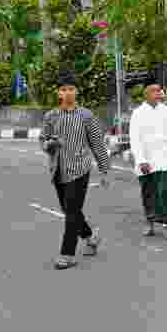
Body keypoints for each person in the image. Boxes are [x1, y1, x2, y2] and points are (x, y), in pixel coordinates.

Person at [40, 73, 111, 270]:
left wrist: (105, 171)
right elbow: (42, 140)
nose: (67, 93)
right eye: (64, 89)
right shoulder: (51, 116)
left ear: (76, 91)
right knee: (70, 210)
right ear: (59, 93)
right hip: (58, 170)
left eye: (71, 89)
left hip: (79, 169)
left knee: (71, 211)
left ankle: (67, 253)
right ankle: (90, 236)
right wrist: (50, 144)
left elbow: (97, 144)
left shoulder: (86, 116)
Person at [130, 82, 167, 239]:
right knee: (149, 193)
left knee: (166, 192)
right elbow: (135, 139)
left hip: (165, 159)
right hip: (146, 161)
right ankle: (150, 220)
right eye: (153, 91)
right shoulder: (138, 113)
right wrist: (141, 160)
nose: (158, 93)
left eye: (159, 90)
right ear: (146, 94)